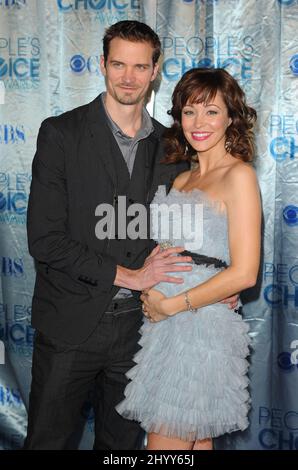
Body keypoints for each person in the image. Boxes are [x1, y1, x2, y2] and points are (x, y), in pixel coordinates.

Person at [24, 21, 237, 450]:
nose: (128, 77)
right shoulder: (60, 134)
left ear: (155, 70)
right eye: (118, 64)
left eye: (140, 67)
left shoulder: (173, 146)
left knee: (121, 451)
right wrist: (131, 275)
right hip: (70, 326)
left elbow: (188, 232)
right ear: (102, 64)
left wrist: (218, 286)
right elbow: (45, 240)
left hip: (143, 330)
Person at [116, 67, 261, 451]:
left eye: (211, 111)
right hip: (167, 325)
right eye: (189, 111)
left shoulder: (239, 176)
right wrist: (151, 284)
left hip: (197, 328)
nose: (199, 123)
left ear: (231, 117)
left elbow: (245, 272)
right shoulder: (182, 178)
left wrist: (171, 306)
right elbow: (174, 249)